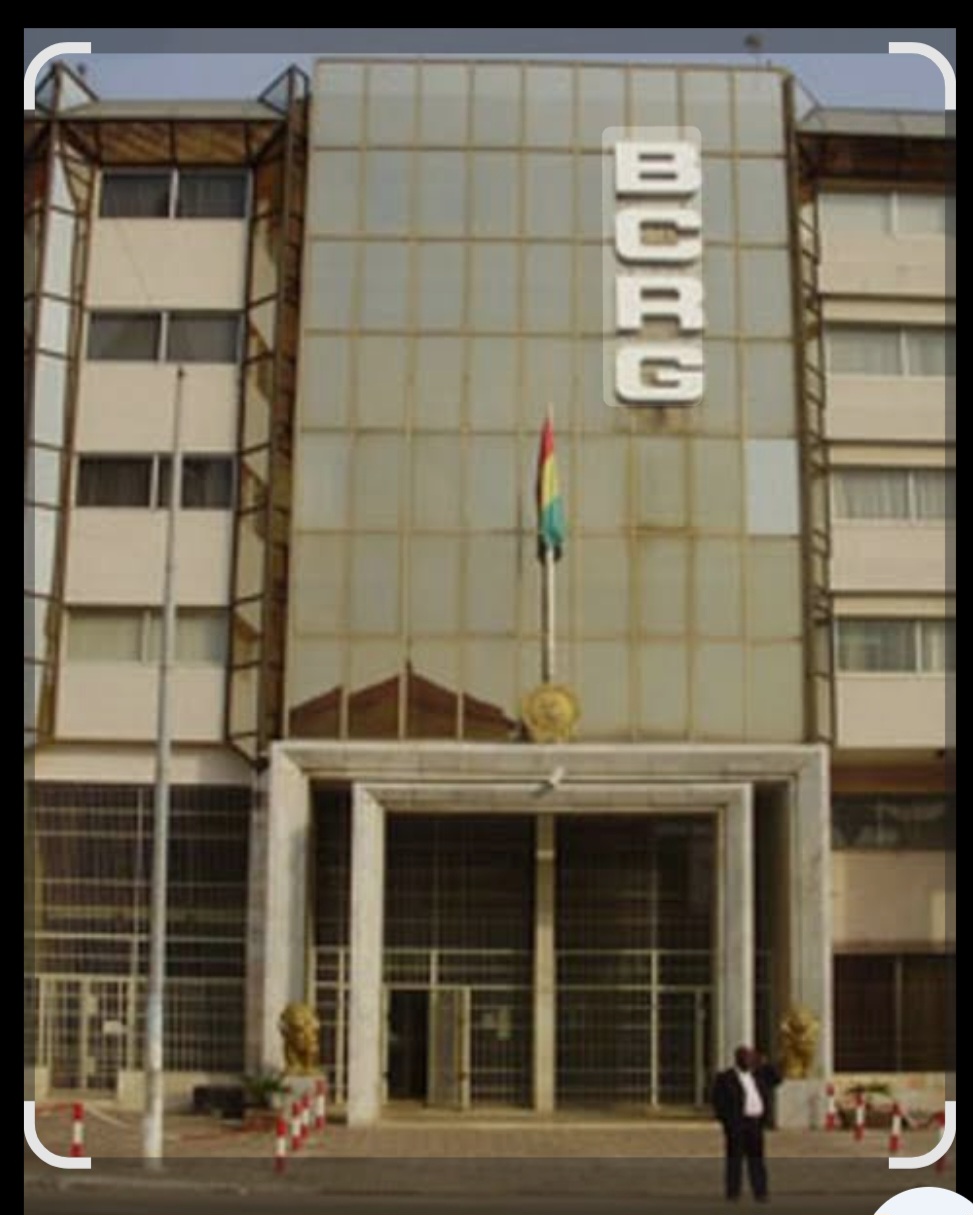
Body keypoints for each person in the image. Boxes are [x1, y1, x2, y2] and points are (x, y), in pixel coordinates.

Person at [711, 1044, 781, 1203]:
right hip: (738, 1124)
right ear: (738, 1059)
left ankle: (760, 1192)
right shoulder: (726, 1078)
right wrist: (728, 1122)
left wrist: (765, 1063)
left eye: (750, 1057)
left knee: (757, 1159)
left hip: (755, 1124)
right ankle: (733, 1192)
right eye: (745, 1057)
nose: (749, 1060)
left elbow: (777, 1079)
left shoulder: (758, 1075)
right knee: (734, 1159)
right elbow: (718, 1101)